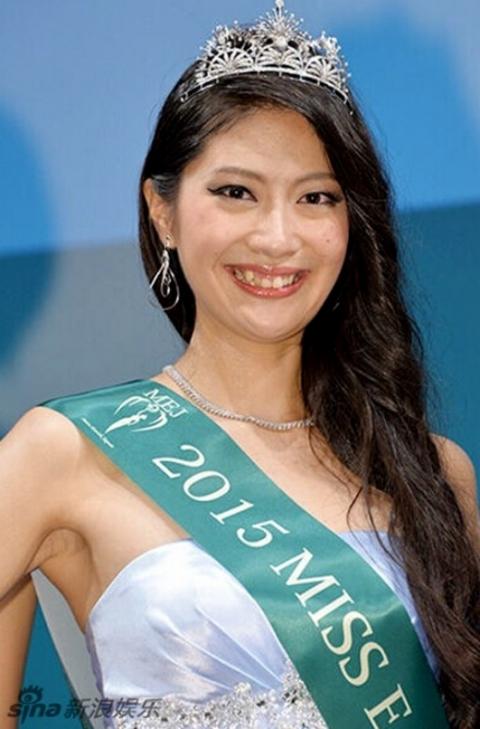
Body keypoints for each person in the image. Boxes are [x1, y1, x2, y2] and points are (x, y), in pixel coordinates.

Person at [1, 1, 479, 728]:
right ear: (162, 210)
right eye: (236, 192)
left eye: (316, 197)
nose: (278, 237)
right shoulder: (62, 453)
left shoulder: (432, 473)